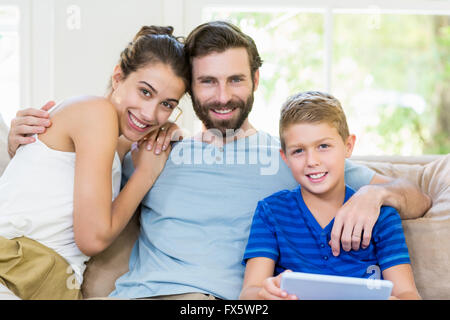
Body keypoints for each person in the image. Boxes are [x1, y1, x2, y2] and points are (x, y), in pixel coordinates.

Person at [7, 21, 431, 300]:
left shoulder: (296, 156)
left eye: (235, 80)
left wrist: (376, 195)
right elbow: (69, 182)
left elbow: (421, 196)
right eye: (207, 82)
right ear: (190, 90)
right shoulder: (154, 151)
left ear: (255, 81)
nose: (223, 96)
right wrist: (21, 141)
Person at [0, 26, 188, 300]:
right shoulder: (96, 113)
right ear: (118, 77)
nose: (151, 113)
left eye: (167, 104)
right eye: (145, 92)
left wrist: (170, 131)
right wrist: (146, 174)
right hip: (14, 271)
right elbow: (92, 238)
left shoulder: (113, 138)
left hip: (42, 282)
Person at [239, 91, 421, 300]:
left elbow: (408, 293)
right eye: (298, 151)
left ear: (348, 146)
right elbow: (248, 292)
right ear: (285, 157)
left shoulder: (381, 216)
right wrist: (265, 293)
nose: (312, 161)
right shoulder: (270, 212)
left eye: (323, 146)